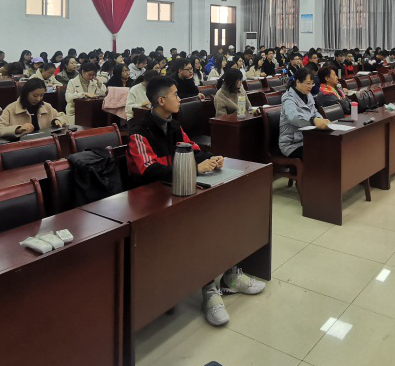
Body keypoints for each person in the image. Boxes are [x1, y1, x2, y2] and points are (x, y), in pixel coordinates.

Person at [125, 76, 265, 326]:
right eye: (175, 95)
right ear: (161, 100)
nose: (179, 99)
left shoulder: (173, 125)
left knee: (227, 210)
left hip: (178, 190)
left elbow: (192, 149)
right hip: (151, 201)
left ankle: (230, 274)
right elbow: (148, 171)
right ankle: (209, 289)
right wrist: (193, 168)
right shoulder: (139, 131)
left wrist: (212, 158)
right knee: (201, 224)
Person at [0, 78, 66, 139]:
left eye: (42, 95)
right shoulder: (11, 108)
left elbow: (64, 117)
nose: (38, 99)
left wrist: (58, 120)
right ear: (26, 93)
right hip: (21, 147)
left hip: (44, 144)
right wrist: (18, 129)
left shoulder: (46, 107)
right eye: (35, 95)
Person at [280, 68, 330, 158]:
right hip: (292, 144)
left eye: (312, 83)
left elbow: (314, 111)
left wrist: (320, 119)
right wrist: (313, 120)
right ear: (298, 82)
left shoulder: (308, 95)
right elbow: (292, 117)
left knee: (330, 147)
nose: (310, 86)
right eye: (308, 83)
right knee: (320, 154)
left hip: (307, 138)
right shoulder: (288, 98)